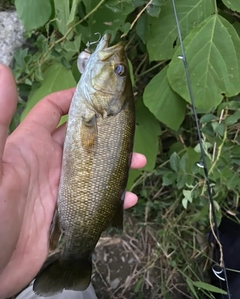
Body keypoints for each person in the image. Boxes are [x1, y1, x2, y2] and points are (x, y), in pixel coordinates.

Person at [0, 64, 147, 298]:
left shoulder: (99, 107)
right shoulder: (97, 105)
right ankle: (74, 272)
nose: (115, 66)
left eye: (118, 71)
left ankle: (74, 263)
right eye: (120, 70)